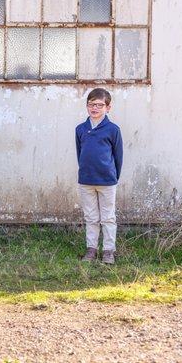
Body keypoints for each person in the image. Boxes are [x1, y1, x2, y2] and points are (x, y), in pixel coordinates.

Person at [75, 88, 123, 264]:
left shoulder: (112, 130)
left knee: (108, 217)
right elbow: (80, 153)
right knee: (91, 217)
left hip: (107, 181)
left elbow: (118, 157)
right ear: (87, 106)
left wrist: (112, 176)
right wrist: (86, 171)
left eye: (99, 105)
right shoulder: (80, 129)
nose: (95, 108)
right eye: (91, 104)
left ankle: (109, 251)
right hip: (86, 181)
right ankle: (91, 249)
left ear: (108, 108)